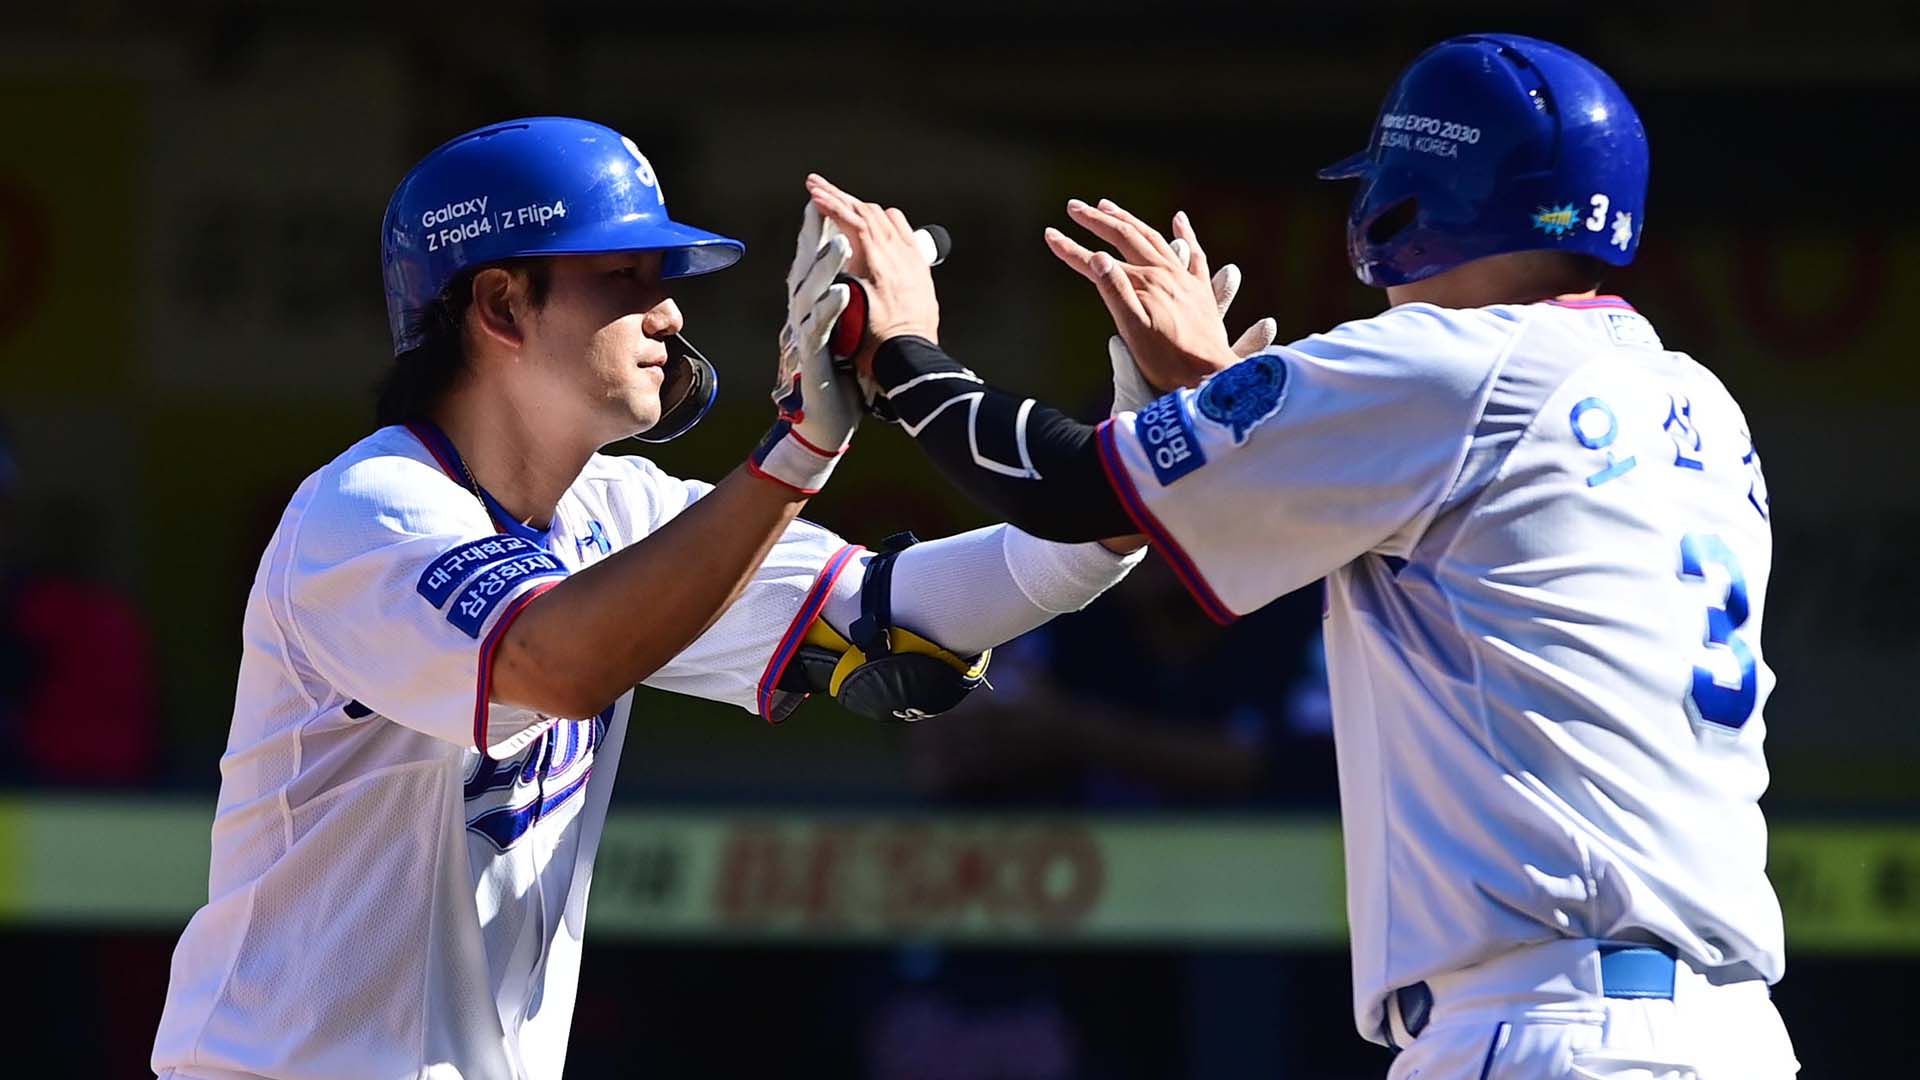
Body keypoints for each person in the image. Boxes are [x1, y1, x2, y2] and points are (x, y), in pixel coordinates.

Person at [807, 32, 1795, 1080]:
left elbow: (1071, 490)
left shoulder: (1453, 363)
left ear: (1406, 204)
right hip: (1725, 1032)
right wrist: (1222, 407)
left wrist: (901, 352)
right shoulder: (1694, 398)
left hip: (1554, 1025)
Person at [149, 116, 1145, 1080]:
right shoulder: (368, 508)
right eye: (622, 278)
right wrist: (798, 451)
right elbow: (555, 663)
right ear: (500, 306)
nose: (668, 313)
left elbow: (899, 611)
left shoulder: (616, 509)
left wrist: (1136, 484)